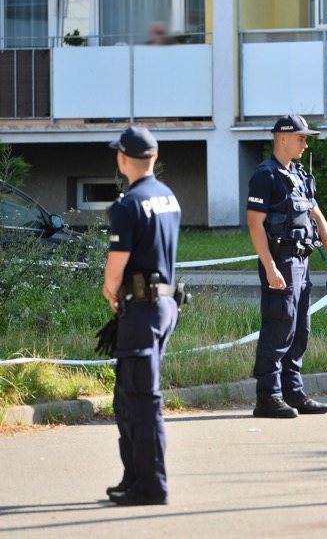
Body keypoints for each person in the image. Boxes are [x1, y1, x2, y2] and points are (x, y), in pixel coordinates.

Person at [103, 127, 181, 506]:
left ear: (122, 159)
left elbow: (116, 267)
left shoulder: (128, 204)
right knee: (127, 396)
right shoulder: (168, 197)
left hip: (142, 309)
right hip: (164, 305)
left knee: (141, 398)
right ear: (154, 155)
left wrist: (110, 289)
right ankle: (134, 476)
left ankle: (151, 485)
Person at [247, 114, 327, 418]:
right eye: (301, 137)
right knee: (279, 327)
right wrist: (270, 266)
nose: (305, 142)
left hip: (302, 259)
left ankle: (292, 392)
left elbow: (317, 216)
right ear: (283, 138)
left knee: (299, 329)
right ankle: (268, 397)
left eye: (305, 138)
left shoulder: (299, 174)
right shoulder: (265, 175)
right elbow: (254, 223)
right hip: (281, 260)